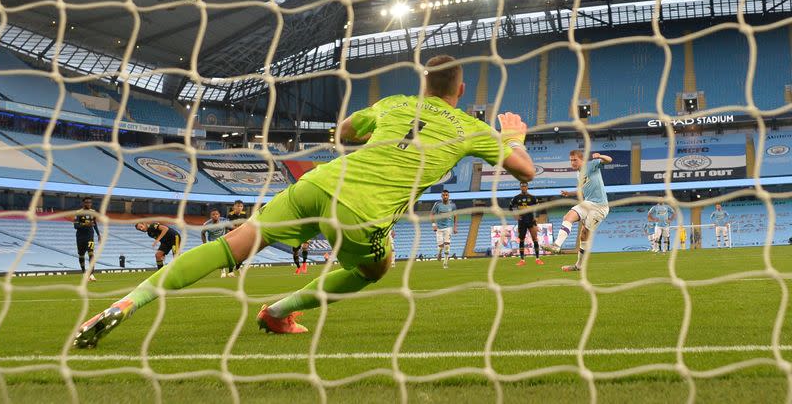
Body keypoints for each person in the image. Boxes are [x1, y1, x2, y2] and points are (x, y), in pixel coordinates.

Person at [74, 54, 535, 347]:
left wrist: (370, 132)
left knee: (231, 244)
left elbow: (346, 131)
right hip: (363, 211)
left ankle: (125, 304)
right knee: (376, 268)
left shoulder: (395, 103)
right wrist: (512, 134)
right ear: (459, 91)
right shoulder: (470, 127)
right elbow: (524, 172)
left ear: (424, 83)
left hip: (319, 182)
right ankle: (278, 311)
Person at [541, 150, 612, 272]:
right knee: (568, 216)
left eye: (575, 160)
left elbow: (609, 160)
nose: (572, 162)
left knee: (584, 235)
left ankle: (579, 266)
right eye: (571, 160)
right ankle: (557, 245)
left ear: (582, 160)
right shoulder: (579, 174)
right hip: (588, 203)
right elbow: (583, 191)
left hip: (600, 207)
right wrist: (570, 193)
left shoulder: (590, 165)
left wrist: (600, 156)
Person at [508, 182, 544, 266]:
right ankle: (522, 260)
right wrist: (515, 216)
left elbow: (539, 207)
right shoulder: (516, 198)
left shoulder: (532, 198)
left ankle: (538, 259)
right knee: (521, 240)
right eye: (522, 186)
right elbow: (510, 207)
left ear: (527, 187)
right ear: (520, 187)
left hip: (531, 220)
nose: (523, 187)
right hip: (522, 221)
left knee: (535, 238)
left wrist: (537, 217)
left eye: (525, 186)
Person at [74, 197, 101, 282]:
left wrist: (98, 234)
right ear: (83, 203)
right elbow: (76, 226)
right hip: (80, 237)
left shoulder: (93, 212)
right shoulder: (78, 213)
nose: (88, 204)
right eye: (86, 202)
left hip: (90, 236)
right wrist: (86, 224)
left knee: (91, 253)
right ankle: (83, 272)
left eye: (90, 202)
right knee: (81, 255)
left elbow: (94, 223)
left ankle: (91, 274)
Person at [430, 190, 458, 268]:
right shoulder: (437, 204)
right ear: (441, 196)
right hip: (439, 228)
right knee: (441, 246)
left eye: (446, 195)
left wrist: (455, 226)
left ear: (448, 196)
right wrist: (433, 225)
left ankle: (445, 263)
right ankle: (439, 253)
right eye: (444, 195)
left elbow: (455, 215)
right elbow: (432, 214)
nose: (445, 196)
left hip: (448, 227)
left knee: (447, 246)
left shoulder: (452, 205)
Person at [201, 209, 231, 278]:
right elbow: (202, 233)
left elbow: (229, 228)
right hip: (213, 242)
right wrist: (204, 244)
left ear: (219, 215)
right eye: (213, 214)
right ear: (210, 216)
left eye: (216, 214)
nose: (215, 216)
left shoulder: (224, 221)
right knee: (216, 257)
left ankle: (224, 270)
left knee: (223, 256)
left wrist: (227, 236)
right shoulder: (207, 224)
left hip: (222, 241)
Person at [226, 200, 249, 273]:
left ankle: (238, 267)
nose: (239, 208)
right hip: (233, 236)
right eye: (238, 206)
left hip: (242, 236)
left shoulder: (244, 214)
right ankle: (230, 271)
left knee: (244, 253)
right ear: (234, 207)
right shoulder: (230, 215)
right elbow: (229, 227)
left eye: (241, 206)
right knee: (232, 254)